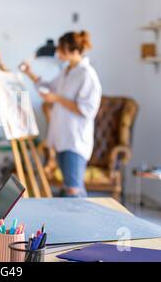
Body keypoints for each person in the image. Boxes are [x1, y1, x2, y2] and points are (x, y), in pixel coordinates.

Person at [21, 31, 102, 197]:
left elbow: (87, 110)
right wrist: (29, 73)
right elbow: (50, 87)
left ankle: (84, 221)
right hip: (61, 137)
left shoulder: (86, 74)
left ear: (74, 51)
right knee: (68, 187)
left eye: (62, 49)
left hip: (75, 140)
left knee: (74, 189)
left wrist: (56, 98)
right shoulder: (67, 71)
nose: (58, 53)